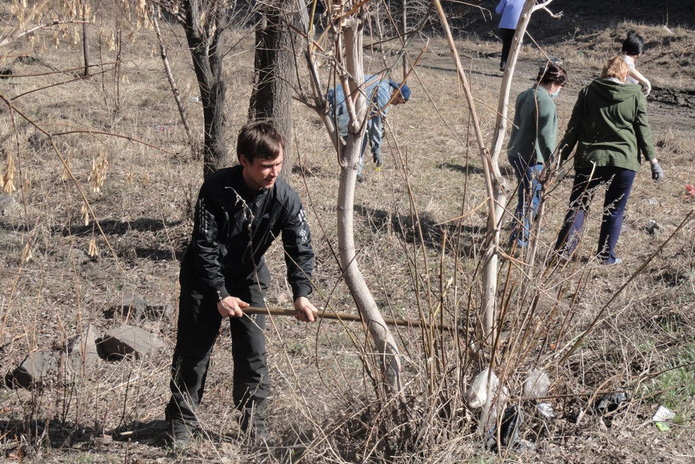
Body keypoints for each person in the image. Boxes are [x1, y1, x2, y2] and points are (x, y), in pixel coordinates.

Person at [164, 121, 318, 444]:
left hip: (249, 277)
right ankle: (180, 424)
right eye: (265, 166)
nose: (274, 172)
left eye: (278, 164)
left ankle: (254, 427)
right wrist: (220, 294)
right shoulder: (214, 189)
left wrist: (301, 295)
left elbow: (300, 249)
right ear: (244, 160)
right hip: (204, 279)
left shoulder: (285, 198)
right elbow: (204, 249)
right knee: (193, 352)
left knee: (253, 354)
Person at [554, 56, 664, 265]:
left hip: (590, 160)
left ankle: (562, 253)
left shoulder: (587, 93)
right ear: (625, 75)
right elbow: (643, 131)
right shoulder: (635, 96)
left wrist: (560, 159)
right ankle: (605, 257)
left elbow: (573, 129)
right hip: (624, 162)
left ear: (604, 71)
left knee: (578, 206)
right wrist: (654, 162)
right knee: (614, 210)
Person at [507, 62, 568, 248]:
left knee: (524, 194)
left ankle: (517, 227)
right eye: (560, 87)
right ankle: (519, 239)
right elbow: (546, 137)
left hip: (515, 151)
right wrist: (552, 164)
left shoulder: (525, 94)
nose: (559, 91)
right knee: (530, 197)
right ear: (553, 84)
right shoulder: (546, 102)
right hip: (531, 156)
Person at [328, 74, 410, 182]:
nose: (395, 105)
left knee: (359, 134)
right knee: (359, 136)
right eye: (399, 102)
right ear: (398, 93)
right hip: (340, 105)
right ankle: (354, 174)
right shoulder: (384, 95)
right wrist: (376, 149)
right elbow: (375, 125)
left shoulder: (379, 82)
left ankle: (351, 168)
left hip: (333, 98)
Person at [495, 0, 524, 72]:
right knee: (514, 46)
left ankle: (503, 64)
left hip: (505, 24)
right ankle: (510, 66)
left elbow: (498, 11)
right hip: (518, 25)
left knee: (506, 45)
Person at [622, 31, 651, 96]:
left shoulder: (618, 60)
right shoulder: (625, 60)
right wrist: (646, 82)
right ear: (639, 53)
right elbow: (627, 67)